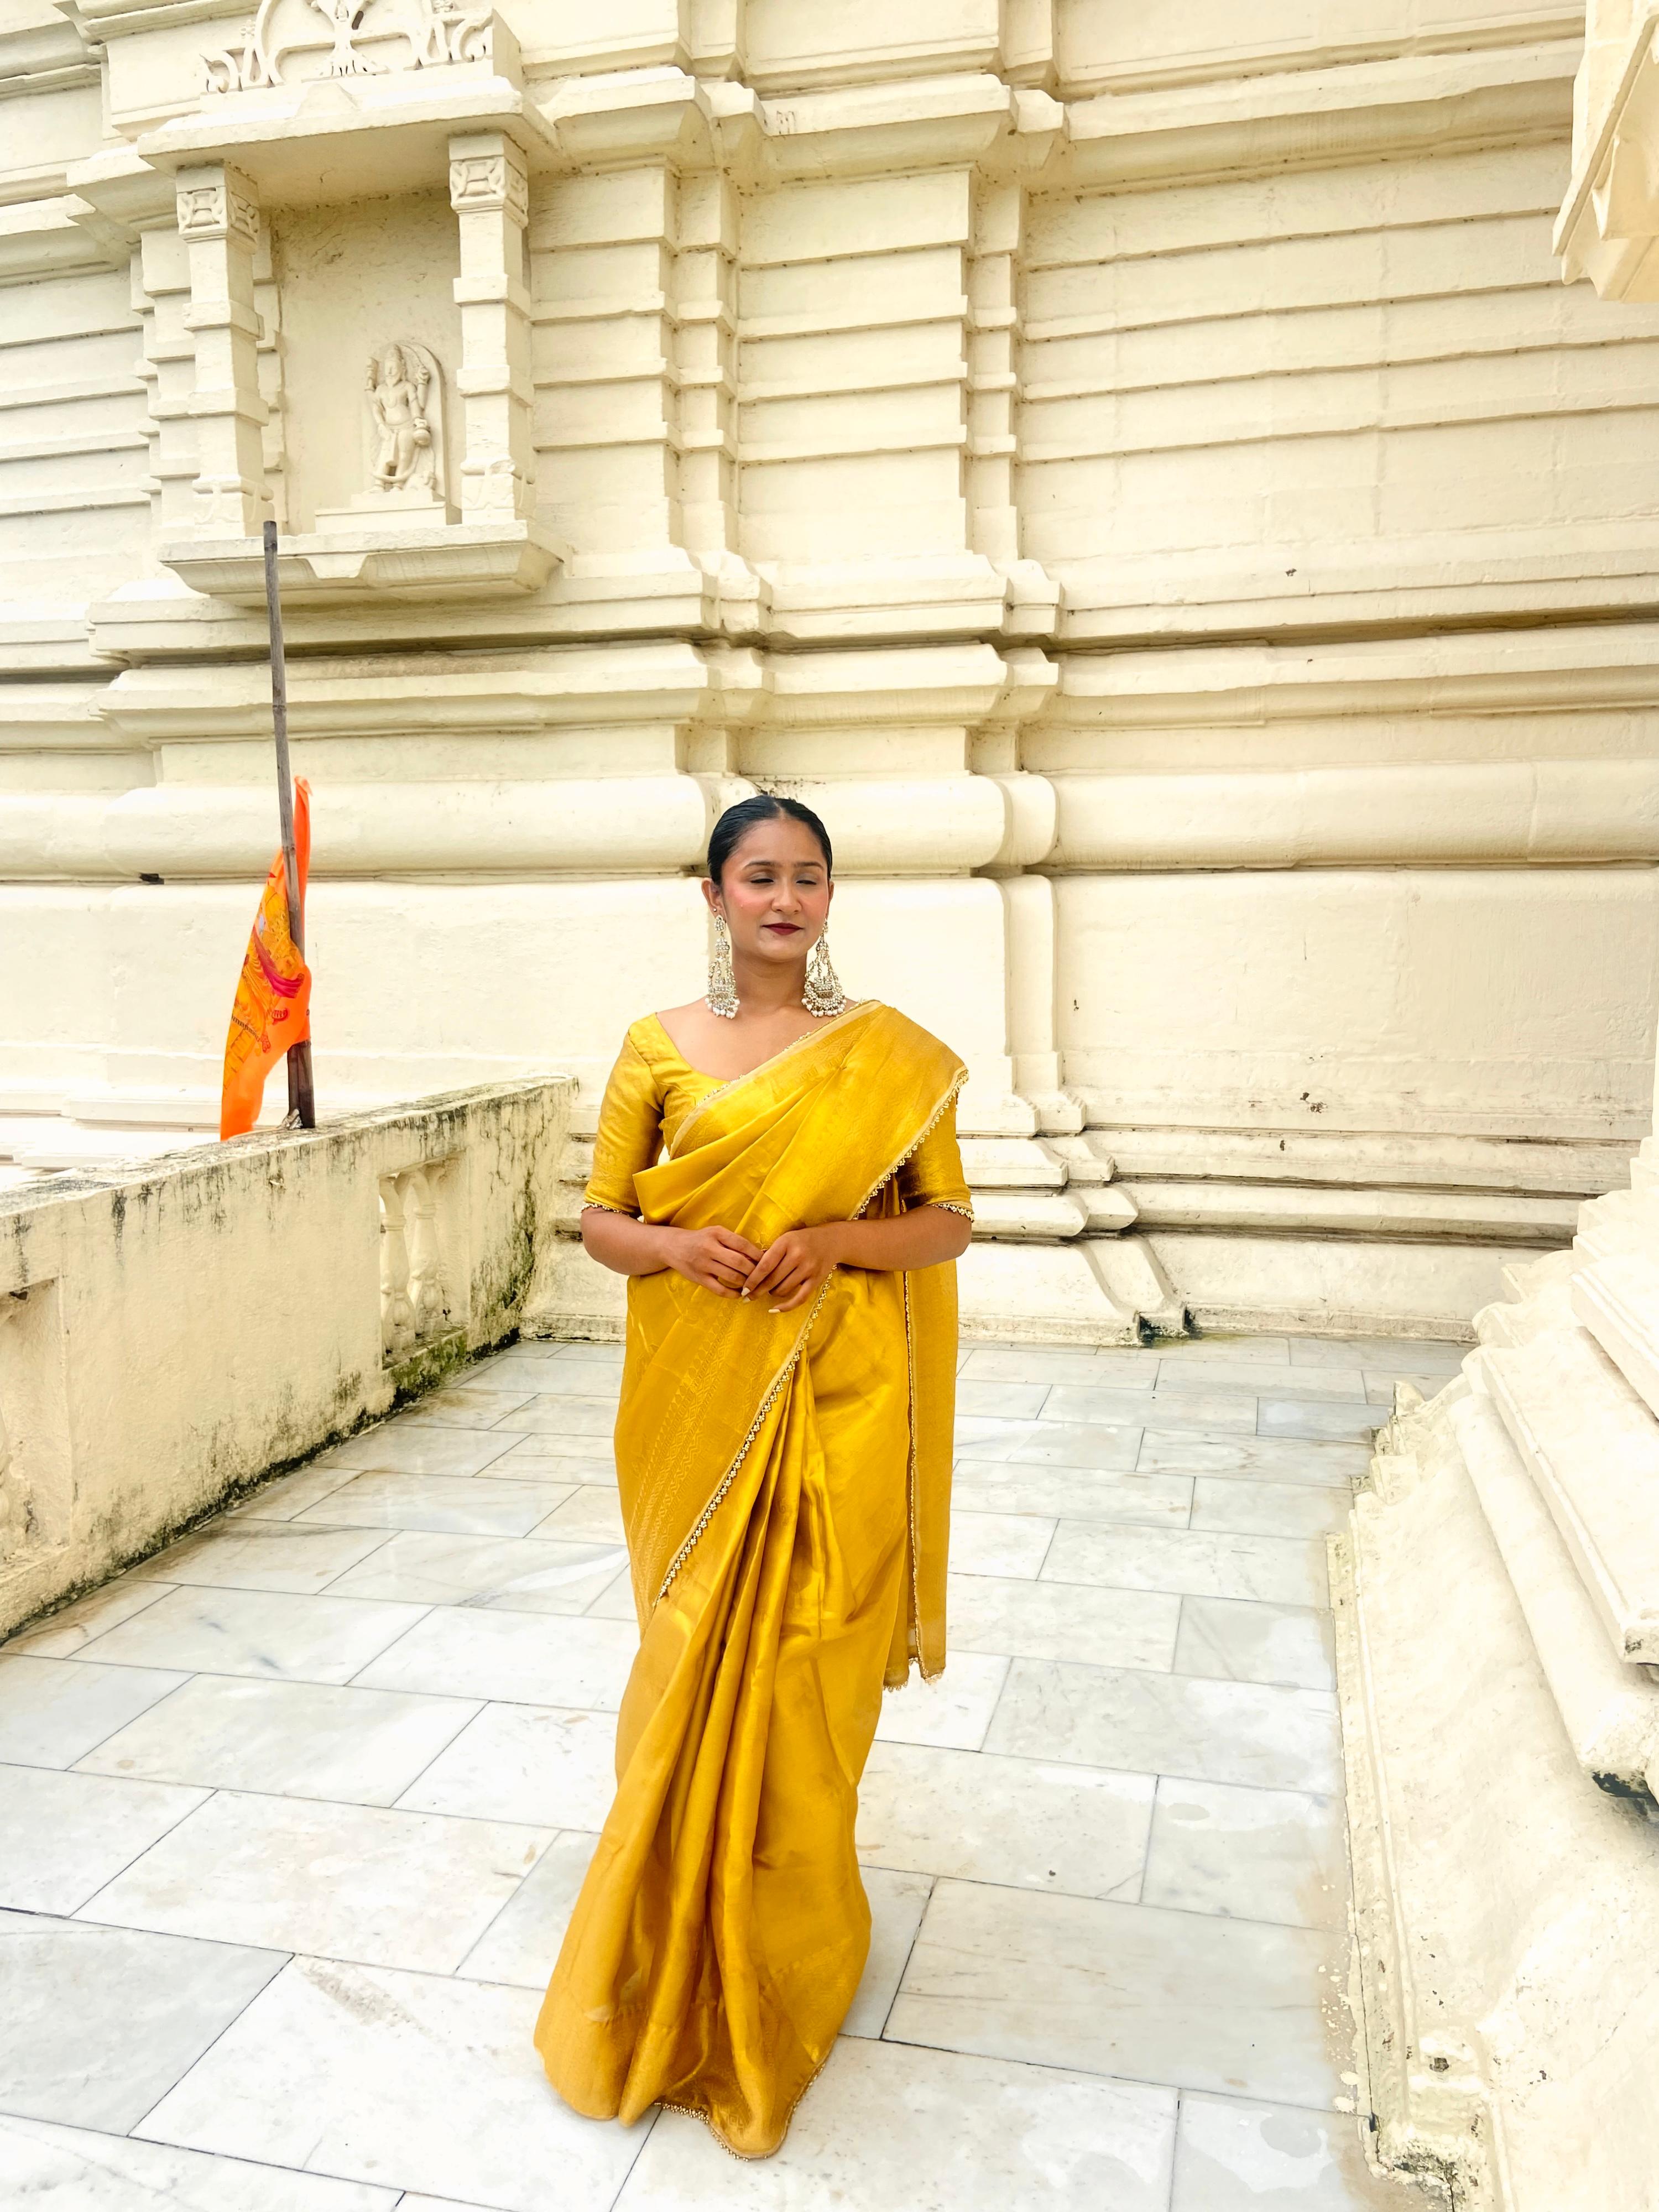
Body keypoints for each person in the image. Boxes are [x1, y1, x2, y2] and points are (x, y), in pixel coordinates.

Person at [534, 794, 973, 2159]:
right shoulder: (656, 1048)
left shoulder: (882, 1056)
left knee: (804, 1674)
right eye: (761, 876)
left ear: (830, 898)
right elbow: (605, 1218)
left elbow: (948, 1224)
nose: (787, 898)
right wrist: (674, 1252)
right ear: (715, 893)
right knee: (689, 1660)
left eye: (810, 877)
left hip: (844, 1404)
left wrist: (837, 1236)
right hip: (699, 1406)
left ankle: (790, 1943)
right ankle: (661, 1939)